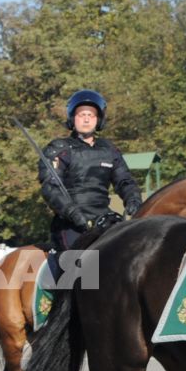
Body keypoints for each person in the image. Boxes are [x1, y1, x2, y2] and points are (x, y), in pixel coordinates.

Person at [39, 90, 144, 253]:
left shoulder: (109, 150)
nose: (86, 119)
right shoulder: (59, 149)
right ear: (72, 118)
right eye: (81, 115)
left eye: (91, 115)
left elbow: (125, 182)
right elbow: (50, 187)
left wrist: (134, 201)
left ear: (99, 120)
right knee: (86, 270)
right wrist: (72, 213)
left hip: (105, 220)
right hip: (72, 224)